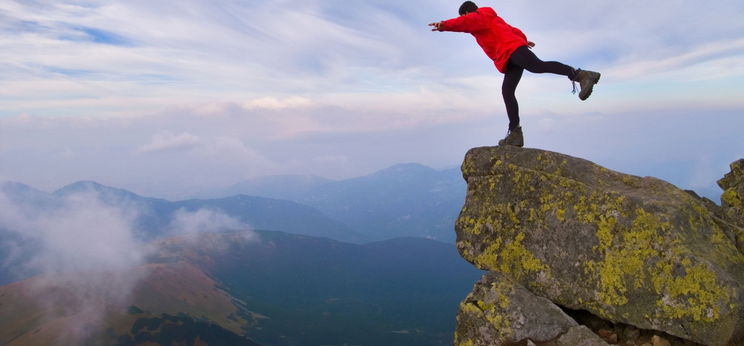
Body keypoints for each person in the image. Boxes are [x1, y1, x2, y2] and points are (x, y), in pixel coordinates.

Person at [429, 1, 600, 147]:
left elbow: (469, 21)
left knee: (536, 66)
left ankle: (581, 75)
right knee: (507, 91)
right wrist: (524, 41)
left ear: (466, 13)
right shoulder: (492, 18)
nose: (463, 20)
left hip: (511, 49)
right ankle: (515, 133)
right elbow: (513, 30)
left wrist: (445, 25)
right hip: (509, 56)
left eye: (463, 17)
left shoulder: (480, 16)